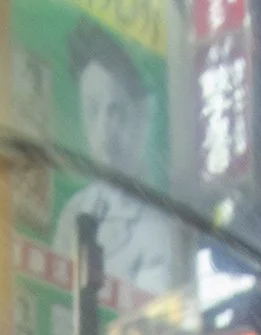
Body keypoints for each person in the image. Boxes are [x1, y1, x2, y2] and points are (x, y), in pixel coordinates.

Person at [52, 21, 179, 297]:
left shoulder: (166, 224)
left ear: (143, 115)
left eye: (117, 111)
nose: (104, 131)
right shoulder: (73, 215)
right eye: (93, 111)